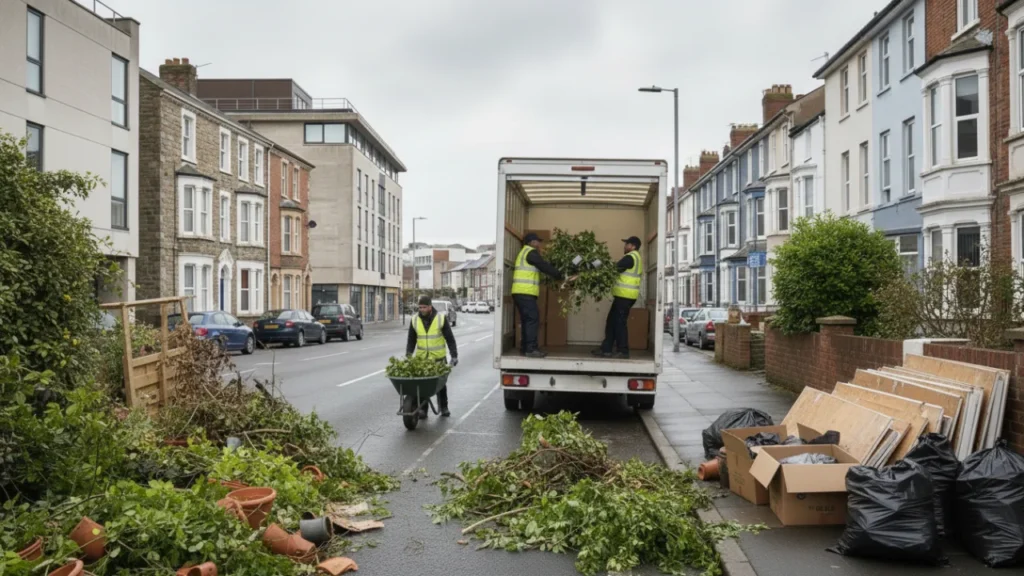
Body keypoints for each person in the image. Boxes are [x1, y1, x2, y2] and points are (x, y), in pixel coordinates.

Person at [511, 233, 575, 358]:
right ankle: (530, 349)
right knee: (532, 319)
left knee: (527, 320)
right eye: (537, 242)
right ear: (531, 242)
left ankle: (526, 348)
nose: (539, 244)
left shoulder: (525, 253)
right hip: (525, 292)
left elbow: (541, 265)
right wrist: (560, 275)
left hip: (521, 292)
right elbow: (544, 266)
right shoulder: (530, 252)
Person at [406, 295, 458, 418]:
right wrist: (408, 355)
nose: (421, 310)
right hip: (422, 359)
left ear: (430, 306)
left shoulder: (441, 318)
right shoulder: (414, 320)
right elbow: (411, 340)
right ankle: (424, 409)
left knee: (440, 384)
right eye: (420, 307)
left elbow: (449, 338)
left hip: (438, 358)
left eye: (424, 307)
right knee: (423, 385)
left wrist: (454, 355)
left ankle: (444, 406)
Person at [593, 236, 643, 358]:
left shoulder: (631, 257)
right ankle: (606, 349)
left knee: (619, 323)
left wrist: (597, 264)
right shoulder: (633, 258)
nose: (624, 246)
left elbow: (613, 269)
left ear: (633, 246)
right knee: (612, 321)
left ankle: (623, 351)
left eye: (627, 244)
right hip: (623, 296)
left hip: (625, 296)